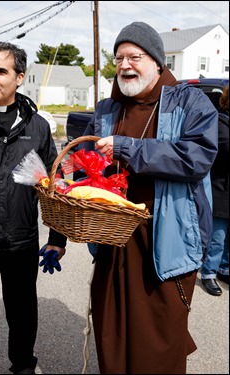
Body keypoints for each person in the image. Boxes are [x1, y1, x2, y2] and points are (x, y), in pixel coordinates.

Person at [76, 22, 218, 374]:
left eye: (134, 56)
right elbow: (85, 164)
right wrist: (76, 185)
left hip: (165, 241)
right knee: (113, 331)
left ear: (157, 61)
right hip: (114, 237)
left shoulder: (189, 101)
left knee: (158, 340)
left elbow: (196, 157)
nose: (125, 65)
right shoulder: (108, 108)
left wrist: (130, 148)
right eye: (119, 57)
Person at [0, 42, 67, 375]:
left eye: (0, 71)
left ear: (20, 77)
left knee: (23, 315)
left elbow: (57, 187)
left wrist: (57, 239)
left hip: (21, 241)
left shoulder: (37, 127)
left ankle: (23, 367)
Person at [201, 85, 229, 295]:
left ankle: (224, 268)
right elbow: (224, 148)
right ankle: (208, 273)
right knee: (217, 236)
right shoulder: (220, 121)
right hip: (221, 187)